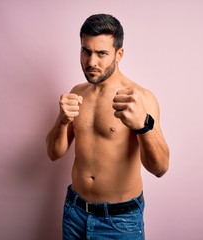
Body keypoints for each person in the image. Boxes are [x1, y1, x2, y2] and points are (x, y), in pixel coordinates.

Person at [46, 13, 169, 239]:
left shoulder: (139, 98)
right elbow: (54, 153)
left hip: (119, 221)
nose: (91, 62)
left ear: (119, 54)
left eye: (102, 53)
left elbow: (160, 168)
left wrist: (143, 125)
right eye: (86, 51)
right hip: (74, 212)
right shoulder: (77, 92)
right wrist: (62, 121)